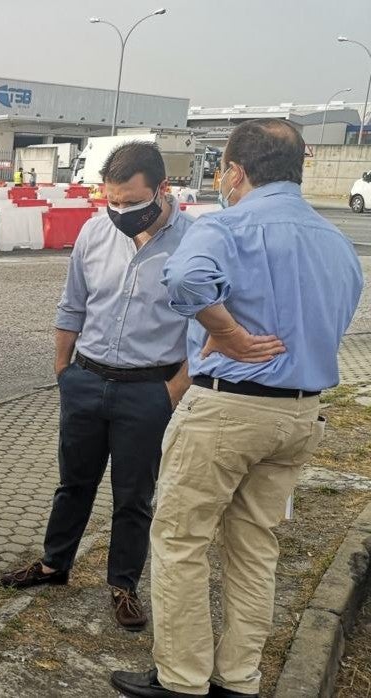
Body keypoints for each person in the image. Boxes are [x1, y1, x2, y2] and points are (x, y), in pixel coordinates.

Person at [111, 120, 363, 697]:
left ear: (237, 171)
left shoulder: (226, 225)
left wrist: (223, 332)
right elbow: (338, 316)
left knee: (181, 540)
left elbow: (185, 278)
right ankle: (239, 678)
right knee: (255, 546)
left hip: (229, 411)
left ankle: (183, 678)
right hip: (300, 413)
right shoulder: (334, 242)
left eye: (224, 168)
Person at [0, 142, 193, 630]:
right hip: (86, 379)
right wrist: (64, 370)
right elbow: (72, 306)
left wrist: (172, 391)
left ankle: (123, 585)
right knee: (73, 483)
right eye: (113, 200)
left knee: (133, 495)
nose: (120, 210)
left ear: (161, 190)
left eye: (131, 200)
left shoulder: (196, 242)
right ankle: (53, 564)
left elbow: (206, 331)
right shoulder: (94, 231)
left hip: (149, 390)